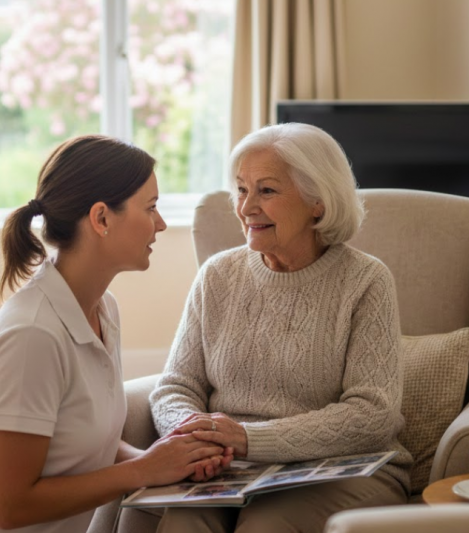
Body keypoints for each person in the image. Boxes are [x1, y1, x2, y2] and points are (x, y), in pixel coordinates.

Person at [0, 135, 231, 533]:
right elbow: (12, 506)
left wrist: (167, 462)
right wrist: (144, 470)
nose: (161, 223)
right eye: (150, 208)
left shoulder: (102, 308)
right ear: (101, 218)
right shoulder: (32, 337)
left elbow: (78, 438)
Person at [119, 123, 412, 533]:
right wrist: (193, 440)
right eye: (242, 189)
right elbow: (176, 385)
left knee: (265, 526)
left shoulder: (364, 280)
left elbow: (372, 415)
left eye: (267, 191)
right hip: (228, 467)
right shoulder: (218, 275)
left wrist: (248, 439)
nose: (246, 207)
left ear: (318, 202)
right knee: (184, 524)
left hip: (341, 469)